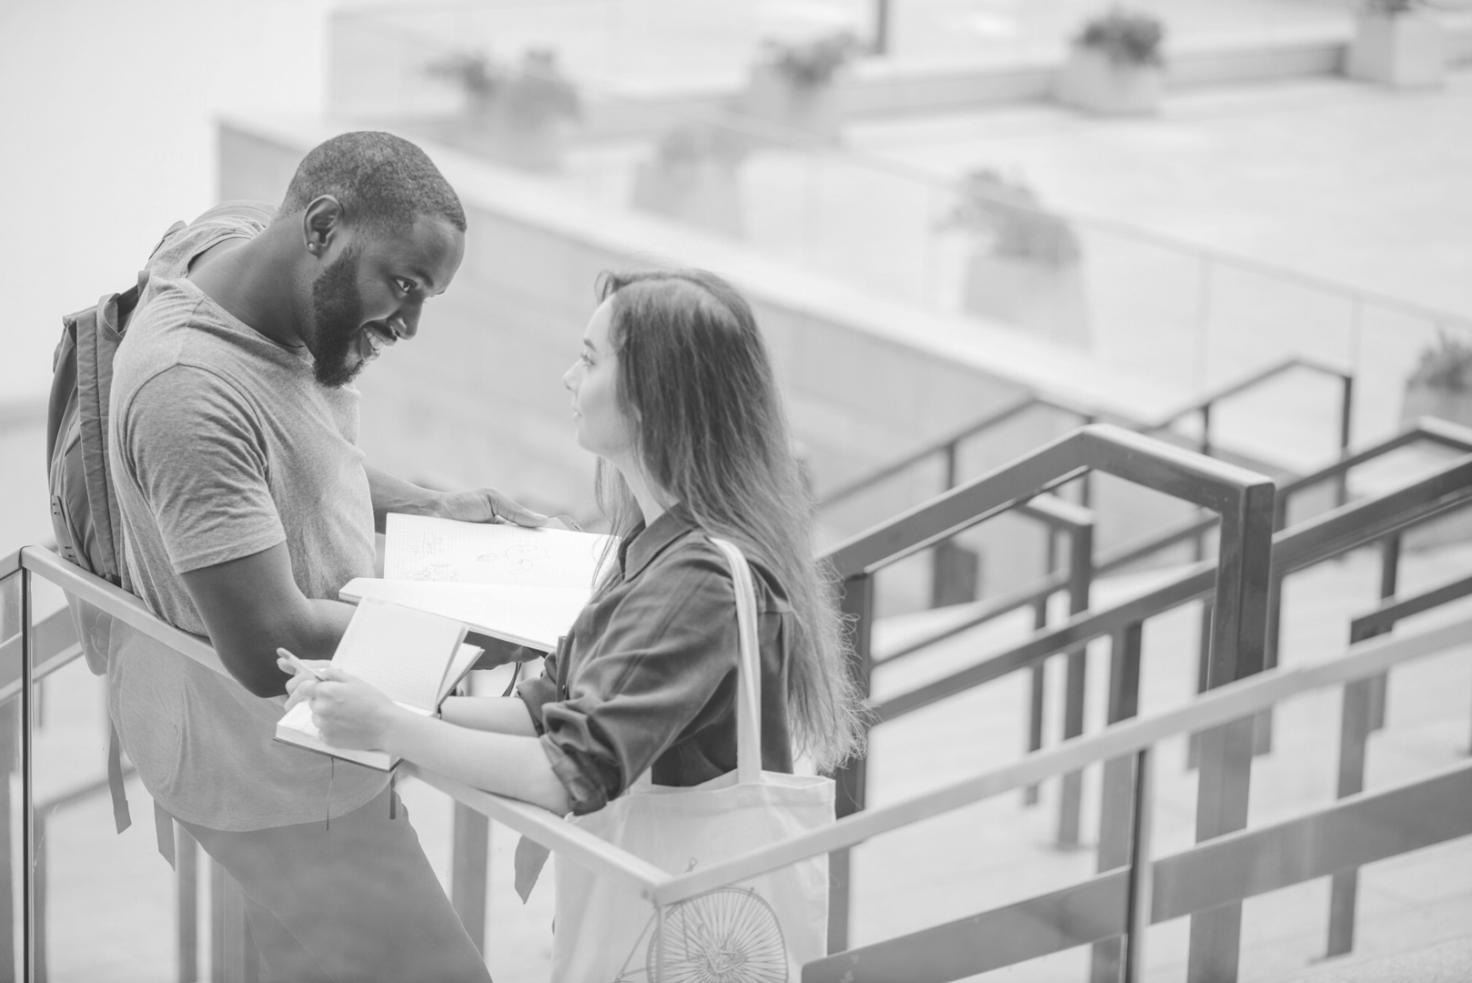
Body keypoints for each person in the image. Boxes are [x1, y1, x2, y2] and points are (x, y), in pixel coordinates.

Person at [108, 131, 541, 982]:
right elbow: (270, 642)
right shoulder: (186, 390)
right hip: (275, 784)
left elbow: (290, 455)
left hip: (314, 750)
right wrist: (474, 630)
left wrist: (430, 506)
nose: (410, 325)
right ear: (320, 226)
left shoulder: (242, 250)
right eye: (404, 285)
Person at [283, 268, 863, 834]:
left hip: (684, 896)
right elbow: (543, 710)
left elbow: (568, 773)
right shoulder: (654, 548)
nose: (567, 377)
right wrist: (374, 700)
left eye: (589, 360)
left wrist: (388, 726)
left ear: (654, 393)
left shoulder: (698, 577)